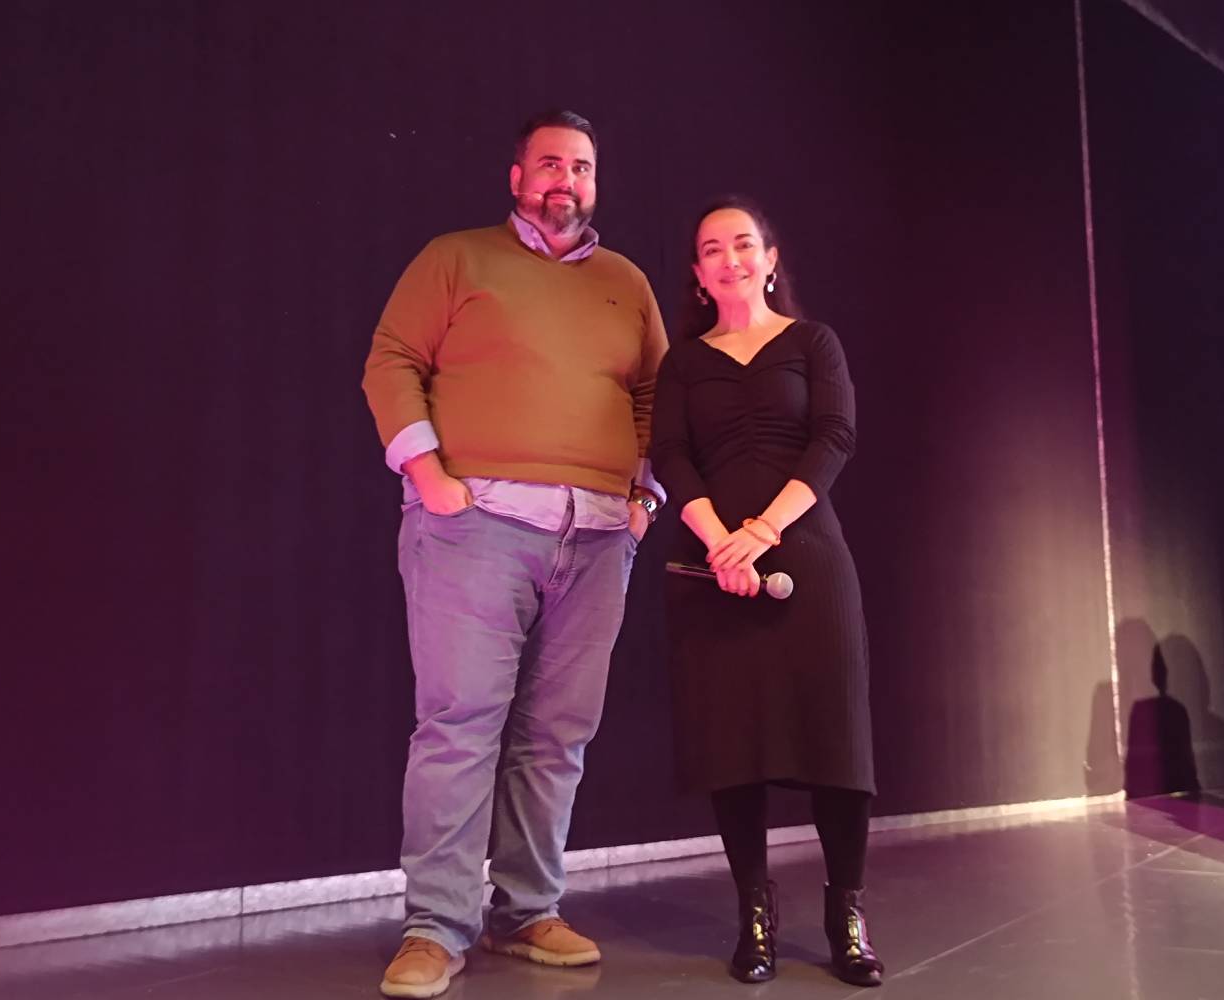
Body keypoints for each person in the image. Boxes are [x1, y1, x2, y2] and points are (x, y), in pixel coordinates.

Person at [361, 109, 668, 999]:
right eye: (548, 165)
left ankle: (528, 909)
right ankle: (435, 926)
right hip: (475, 521)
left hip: (602, 533)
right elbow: (391, 360)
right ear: (516, 177)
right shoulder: (455, 258)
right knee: (460, 726)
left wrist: (643, 497)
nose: (563, 180)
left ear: (595, 183)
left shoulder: (626, 282)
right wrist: (431, 475)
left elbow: (657, 395)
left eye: (579, 167)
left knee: (558, 735)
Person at [649, 196, 884, 987]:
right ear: (697, 272)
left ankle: (846, 914)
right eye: (711, 249)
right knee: (733, 745)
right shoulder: (683, 362)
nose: (729, 259)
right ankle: (755, 915)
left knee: (836, 745)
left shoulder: (813, 342)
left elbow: (834, 438)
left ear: (771, 257)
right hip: (715, 566)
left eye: (743, 244)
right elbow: (672, 457)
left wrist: (763, 532)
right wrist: (722, 542)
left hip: (806, 556)